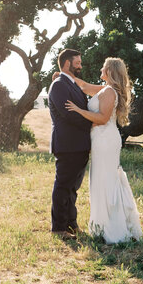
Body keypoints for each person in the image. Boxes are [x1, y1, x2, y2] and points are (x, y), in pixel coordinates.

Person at [61, 57, 143, 244]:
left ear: (110, 71)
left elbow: (102, 118)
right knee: (101, 179)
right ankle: (102, 225)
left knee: (105, 180)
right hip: (101, 139)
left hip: (106, 140)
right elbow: (84, 86)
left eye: (103, 68)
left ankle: (111, 228)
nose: (100, 70)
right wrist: (64, 75)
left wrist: (78, 110)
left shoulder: (109, 92)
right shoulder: (106, 89)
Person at [48, 48, 91, 235]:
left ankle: (72, 224)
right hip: (67, 144)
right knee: (63, 187)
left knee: (73, 188)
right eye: (78, 63)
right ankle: (58, 228)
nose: (80, 66)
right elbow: (69, 114)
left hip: (79, 145)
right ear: (67, 63)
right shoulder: (59, 85)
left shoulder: (71, 84)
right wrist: (95, 122)